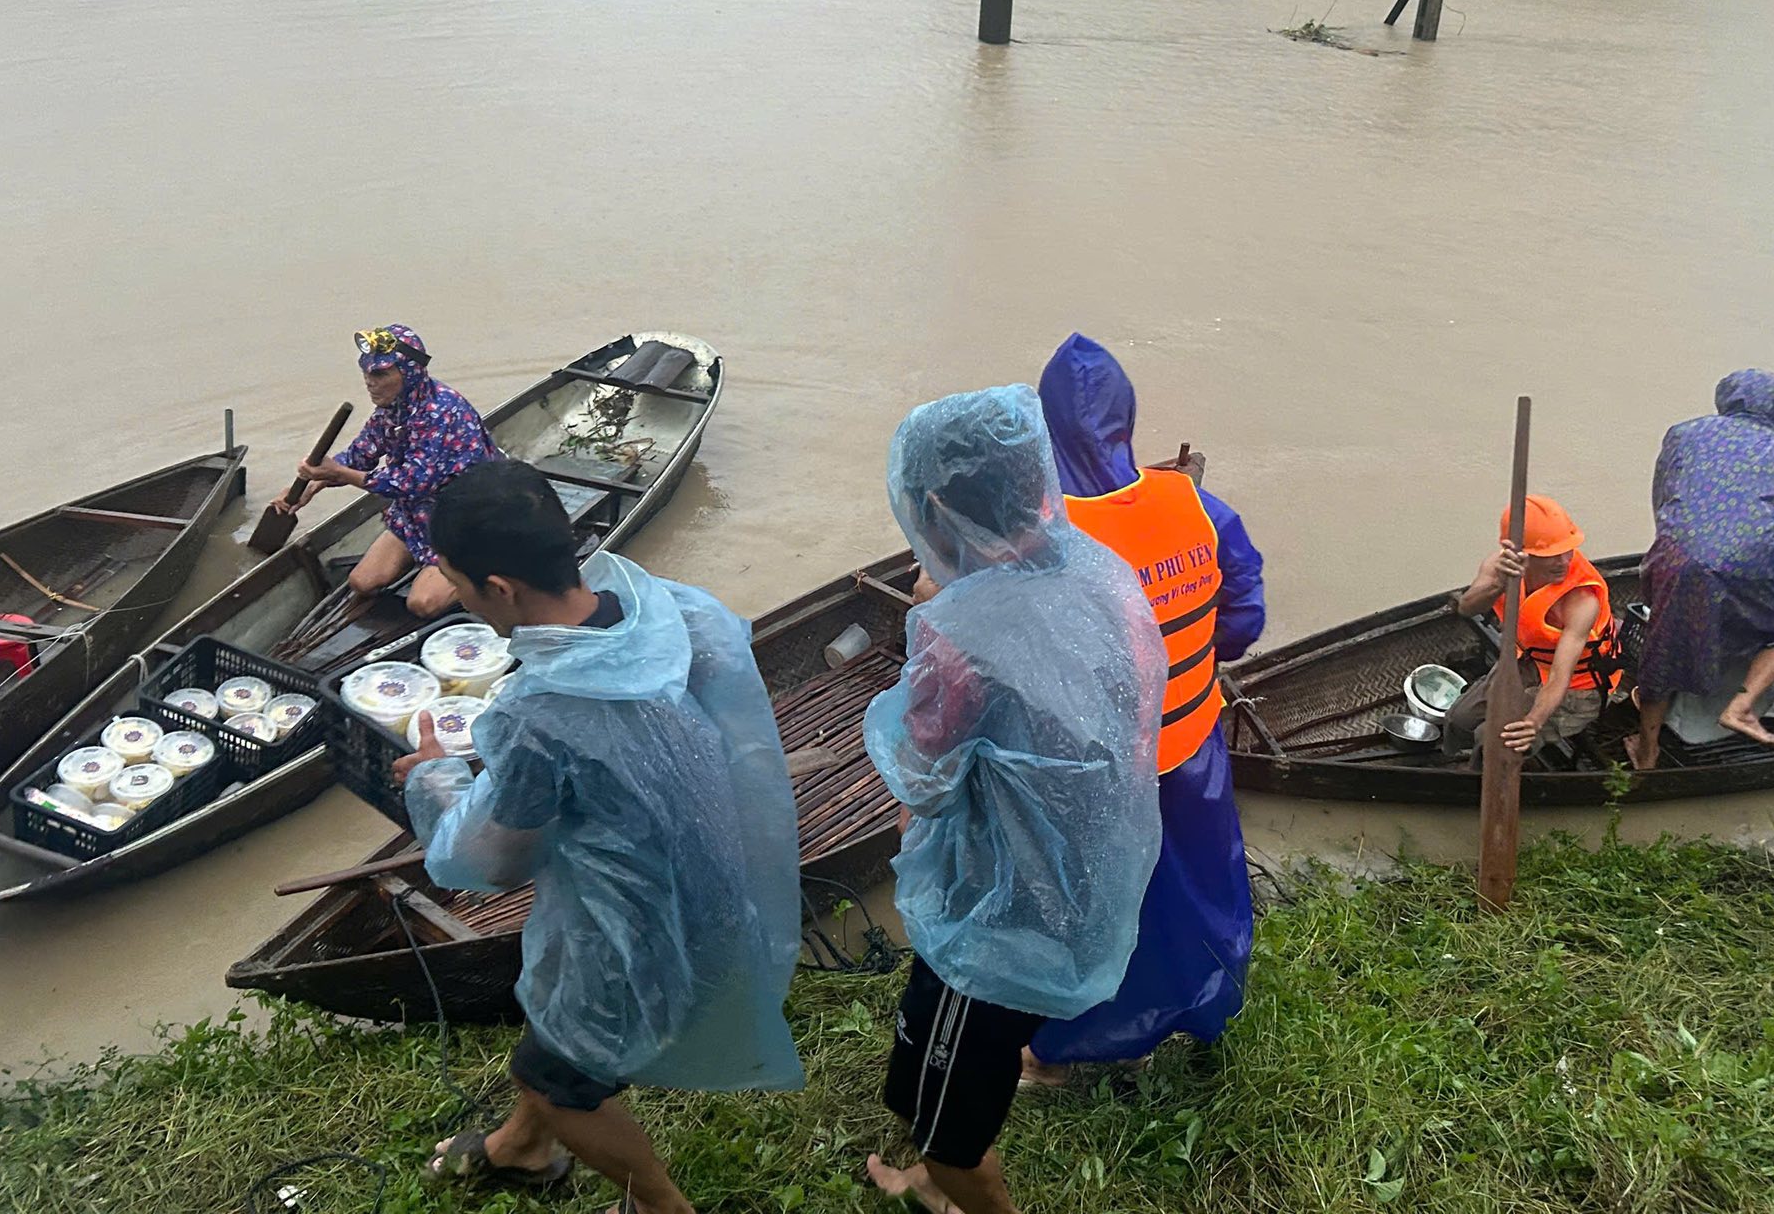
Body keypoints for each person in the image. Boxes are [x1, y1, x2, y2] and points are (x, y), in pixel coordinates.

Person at [396, 460, 803, 1213]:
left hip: (641, 937)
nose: (452, 595)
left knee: (552, 1079)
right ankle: (520, 1148)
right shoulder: (669, 613)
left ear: (502, 588)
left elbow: (494, 858)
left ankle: (656, 1203)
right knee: (564, 1055)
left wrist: (435, 781)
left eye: (455, 580)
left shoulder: (536, 718)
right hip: (722, 887)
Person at [861, 386, 1163, 1214]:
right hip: (1090, 878)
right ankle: (938, 1180)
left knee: (946, 1124)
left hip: (999, 922)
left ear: (929, 509)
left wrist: (943, 618)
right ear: (1039, 484)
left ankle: (961, 1191)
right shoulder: (1104, 574)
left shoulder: (957, 640)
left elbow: (920, 779)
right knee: (942, 1075)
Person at [1021, 334, 1265, 1085]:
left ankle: (1063, 1051)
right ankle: (1207, 1005)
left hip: (1099, 767)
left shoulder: (1041, 535)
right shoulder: (1198, 505)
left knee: (1097, 906)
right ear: (1128, 417)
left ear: (1045, 427)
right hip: (1193, 740)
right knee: (1202, 878)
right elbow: (1244, 618)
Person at [1629, 370, 1774, 766]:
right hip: (1756, 561)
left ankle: (1646, 752)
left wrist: (1672, 557)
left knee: (1662, 651)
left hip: (1680, 555)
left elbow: (1665, 499)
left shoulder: (1682, 434)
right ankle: (1741, 707)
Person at [270, 324, 496, 618]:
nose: (369, 382)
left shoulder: (443, 412)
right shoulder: (390, 411)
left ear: (409, 372)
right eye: (366, 373)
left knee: (423, 604)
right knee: (362, 582)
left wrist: (340, 474)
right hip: (418, 517)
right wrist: (313, 484)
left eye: (380, 374)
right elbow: (358, 456)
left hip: (467, 521)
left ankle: (489, 566)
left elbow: (410, 484)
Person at [1443, 495, 1619, 762]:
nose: (1562, 562)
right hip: (1528, 662)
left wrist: (1533, 722)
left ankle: (1478, 781)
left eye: (1567, 550)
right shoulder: (1499, 567)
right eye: (1549, 555)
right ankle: (1448, 760)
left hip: (1577, 687)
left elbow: (1560, 677)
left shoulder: (1581, 601)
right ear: (1520, 553)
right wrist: (1498, 584)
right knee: (1459, 720)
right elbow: (1467, 608)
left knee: (1494, 742)